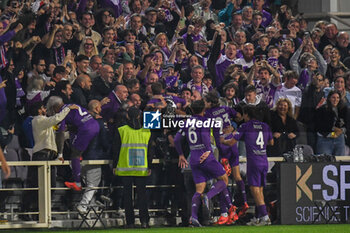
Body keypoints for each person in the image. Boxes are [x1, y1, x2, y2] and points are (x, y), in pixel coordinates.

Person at [175, 100, 237, 227]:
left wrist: (181, 154)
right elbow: (205, 137)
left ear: (191, 110)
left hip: (193, 158)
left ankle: (193, 218)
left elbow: (177, 139)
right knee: (224, 179)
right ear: (203, 110)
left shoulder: (187, 122)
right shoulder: (204, 122)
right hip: (206, 157)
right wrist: (208, 150)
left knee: (199, 189)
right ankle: (208, 197)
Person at [221, 105, 273, 226]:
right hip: (264, 160)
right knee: (259, 189)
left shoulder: (245, 126)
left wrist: (222, 140)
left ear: (246, 115)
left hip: (254, 161)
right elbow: (271, 142)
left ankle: (265, 217)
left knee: (254, 189)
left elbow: (232, 142)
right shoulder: (265, 126)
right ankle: (258, 217)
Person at [204, 92, 248, 224]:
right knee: (237, 176)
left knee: (223, 180)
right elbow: (240, 117)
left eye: (205, 101)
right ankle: (244, 201)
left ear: (210, 103)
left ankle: (228, 210)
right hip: (233, 145)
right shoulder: (226, 108)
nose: (204, 103)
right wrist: (235, 130)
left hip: (222, 147)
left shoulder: (208, 114)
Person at [112, 107, 156, 228]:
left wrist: (115, 165)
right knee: (142, 196)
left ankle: (130, 222)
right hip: (141, 169)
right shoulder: (147, 131)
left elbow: (115, 149)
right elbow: (150, 151)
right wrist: (149, 165)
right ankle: (144, 221)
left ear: (127, 116)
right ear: (139, 116)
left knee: (127, 197)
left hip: (125, 168)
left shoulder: (121, 130)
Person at [46, 96, 100, 191]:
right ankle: (79, 161)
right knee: (75, 142)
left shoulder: (63, 112)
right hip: (95, 125)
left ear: (54, 107)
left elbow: (61, 133)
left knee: (75, 153)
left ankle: (77, 182)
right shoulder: (72, 105)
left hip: (85, 129)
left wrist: (60, 153)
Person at [315, 90, 347, 156]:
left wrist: (341, 131)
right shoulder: (322, 109)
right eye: (333, 97)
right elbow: (319, 126)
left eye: (337, 98)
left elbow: (347, 123)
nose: (336, 100)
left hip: (339, 138)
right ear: (329, 98)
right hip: (325, 138)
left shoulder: (344, 109)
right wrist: (334, 129)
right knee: (324, 162)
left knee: (340, 162)